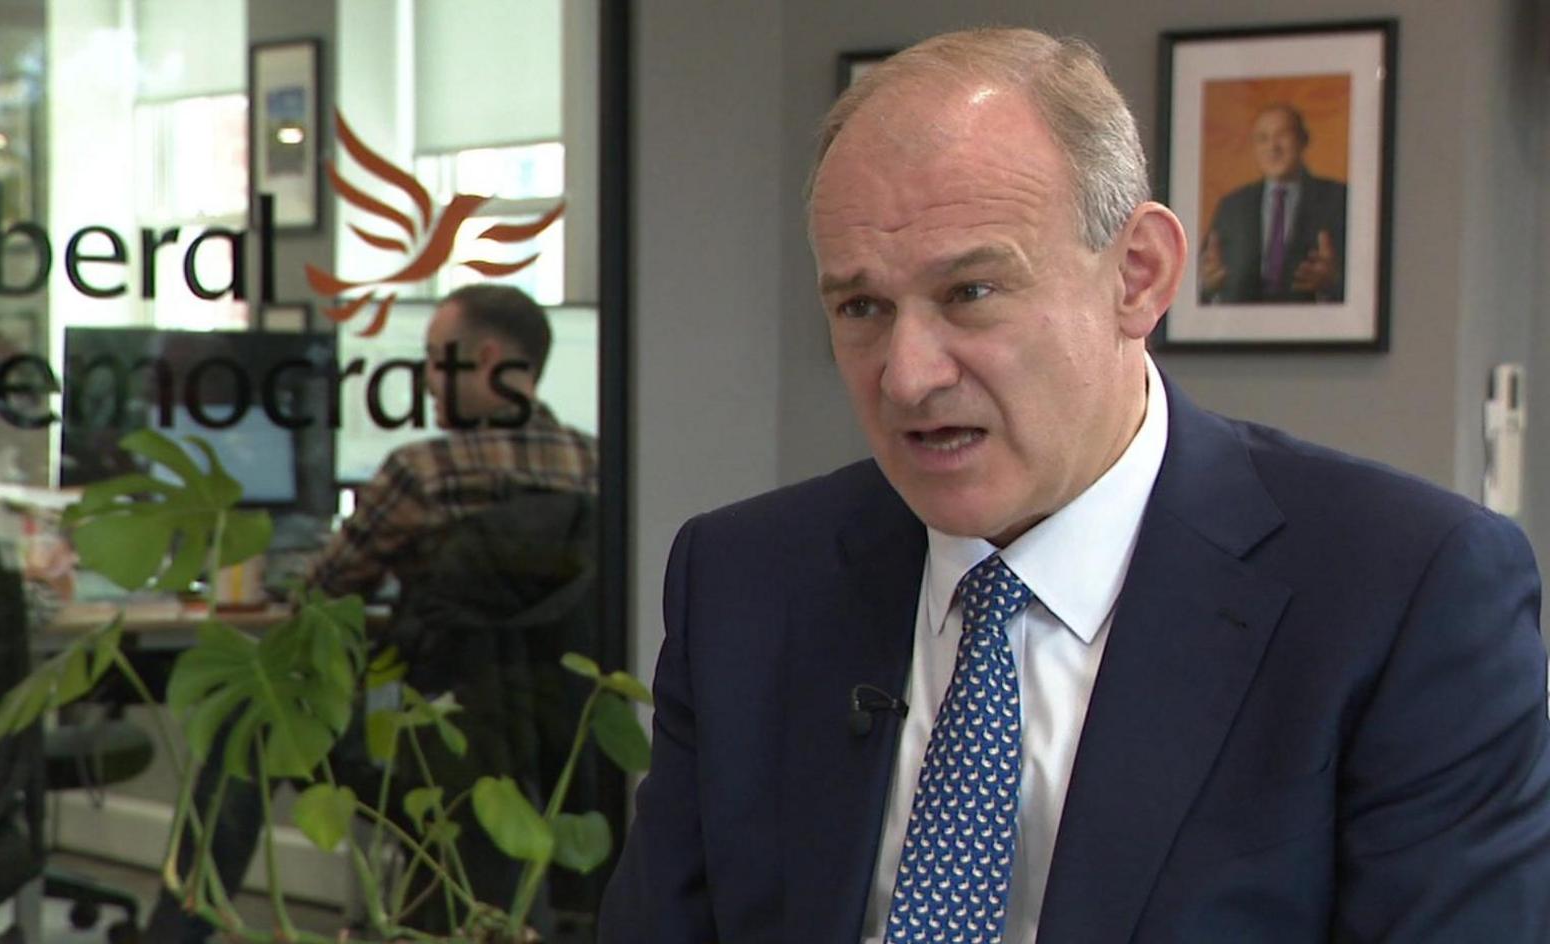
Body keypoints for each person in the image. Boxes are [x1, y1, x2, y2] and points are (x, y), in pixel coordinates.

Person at [600, 27, 1550, 944]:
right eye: (862, 306)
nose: (906, 375)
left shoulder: (1405, 592)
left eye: (970, 293)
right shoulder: (744, 579)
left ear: (1138, 275)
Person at [145, 283, 598, 944]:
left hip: (429, 748)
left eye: (436, 361)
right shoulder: (595, 466)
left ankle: (175, 933)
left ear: (490, 359)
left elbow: (323, 593)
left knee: (252, 720)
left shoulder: (422, 471)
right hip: (556, 750)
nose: (427, 383)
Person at [1200, 103, 1347, 303]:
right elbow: (1203, 284)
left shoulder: (1338, 198)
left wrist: (1334, 283)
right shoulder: (1232, 205)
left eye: (1282, 135)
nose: (1273, 147)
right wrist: (1207, 286)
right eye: (1263, 139)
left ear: (1303, 140)